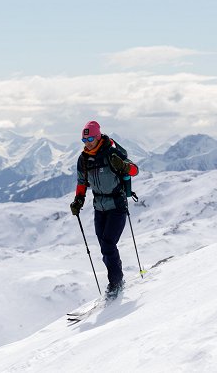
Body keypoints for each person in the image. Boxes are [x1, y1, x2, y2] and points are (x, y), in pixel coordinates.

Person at [70, 120, 139, 299]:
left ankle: (115, 282)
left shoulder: (111, 153)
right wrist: (78, 200)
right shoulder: (83, 159)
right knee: (104, 247)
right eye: (84, 140)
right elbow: (81, 182)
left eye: (91, 138)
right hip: (99, 207)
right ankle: (116, 277)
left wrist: (123, 166)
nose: (88, 142)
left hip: (117, 205)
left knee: (108, 244)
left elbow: (134, 170)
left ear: (98, 135)